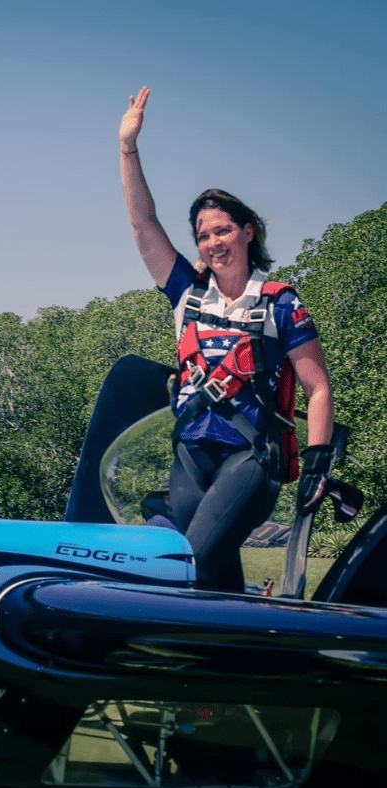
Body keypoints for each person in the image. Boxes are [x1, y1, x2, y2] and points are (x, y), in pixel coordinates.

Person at [119, 86, 336, 591]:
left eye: (222, 230)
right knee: (212, 576)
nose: (212, 242)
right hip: (191, 457)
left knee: (187, 565)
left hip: (252, 459)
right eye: (202, 234)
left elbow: (318, 387)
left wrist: (318, 464)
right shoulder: (187, 295)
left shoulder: (281, 303)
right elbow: (142, 221)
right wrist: (129, 150)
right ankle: (240, 652)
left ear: (247, 233)